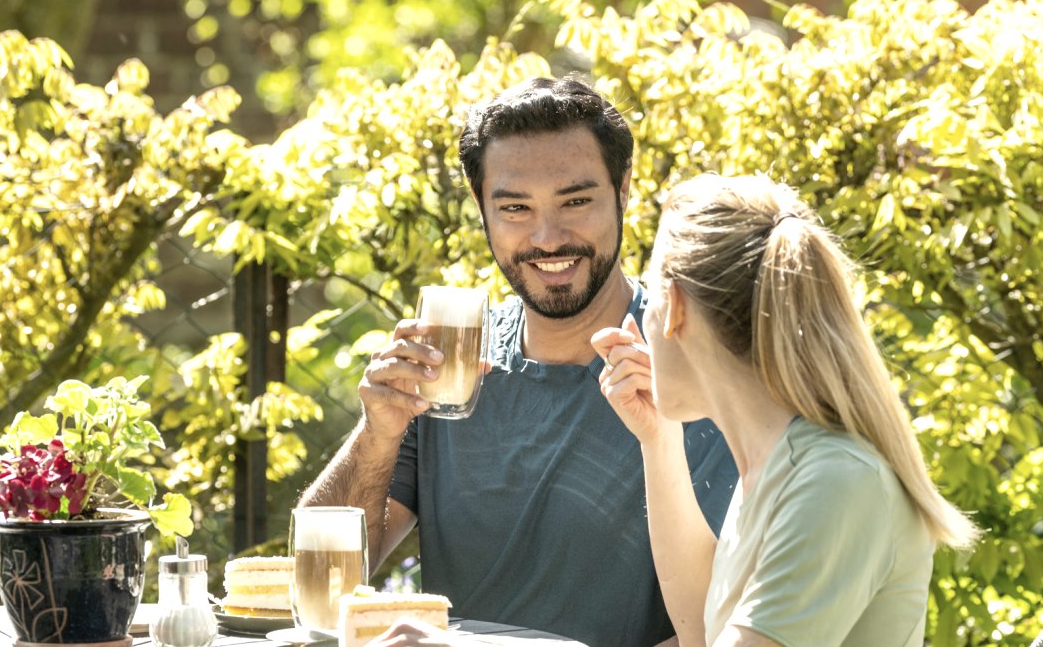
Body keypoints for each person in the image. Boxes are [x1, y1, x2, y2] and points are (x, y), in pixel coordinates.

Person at [299, 78, 739, 647]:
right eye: (514, 208)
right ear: (481, 208)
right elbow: (324, 588)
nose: (547, 237)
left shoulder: (693, 367)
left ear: (623, 189)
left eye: (575, 201)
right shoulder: (449, 366)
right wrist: (377, 432)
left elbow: (728, 625)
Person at [592, 174, 980, 647]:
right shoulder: (778, 467)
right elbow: (701, 632)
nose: (640, 319)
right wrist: (658, 436)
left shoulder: (835, 481)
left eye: (649, 296)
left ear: (674, 307)